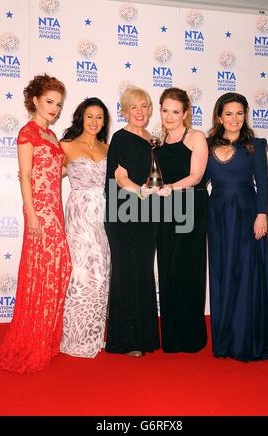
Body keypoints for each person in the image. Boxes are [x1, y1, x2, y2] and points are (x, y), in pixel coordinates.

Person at [0, 74, 72, 373]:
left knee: (57, 269)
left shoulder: (51, 136)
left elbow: (53, 173)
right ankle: (32, 340)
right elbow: (24, 176)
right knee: (43, 271)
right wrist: (32, 213)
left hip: (56, 208)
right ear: (35, 100)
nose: (54, 108)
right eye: (49, 101)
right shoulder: (28, 133)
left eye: (58, 104)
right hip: (40, 211)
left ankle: (46, 338)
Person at [207, 92, 268, 361]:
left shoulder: (254, 144)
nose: (234, 119)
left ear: (246, 115)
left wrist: (262, 214)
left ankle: (245, 339)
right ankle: (225, 340)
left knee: (245, 274)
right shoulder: (205, 146)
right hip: (217, 215)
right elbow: (198, 181)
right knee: (221, 273)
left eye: (239, 113)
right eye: (228, 114)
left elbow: (262, 183)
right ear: (219, 117)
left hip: (246, 214)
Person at [104, 86, 160, 357]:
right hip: (124, 212)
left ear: (150, 110)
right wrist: (140, 192)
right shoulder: (120, 138)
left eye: (145, 106)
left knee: (143, 270)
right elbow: (120, 177)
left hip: (149, 213)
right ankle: (126, 341)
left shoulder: (153, 139)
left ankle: (146, 336)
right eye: (134, 107)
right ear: (125, 111)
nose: (140, 112)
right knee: (127, 271)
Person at [155, 87, 209, 352]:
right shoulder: (158, 141)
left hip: (191, 206)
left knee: (186, 269)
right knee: (167, 268)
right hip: (165, 210)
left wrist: (172, 188)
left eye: (175, 111)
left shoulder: (196, 137)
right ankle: (173, 338)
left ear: (186, 113)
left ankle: (192, 337)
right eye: (165, 110)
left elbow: (197, 176)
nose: (169, 116)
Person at [60, 98, 110, 358]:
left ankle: (93, 335)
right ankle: (74, 339)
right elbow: (50, 173)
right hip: (79, 214)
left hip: (103, 215)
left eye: (99, 117)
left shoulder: (108, 148)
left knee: (100, 274)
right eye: (89, 116)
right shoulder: (66, 146)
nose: (94, 121)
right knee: (79, 274)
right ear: (81, 117)